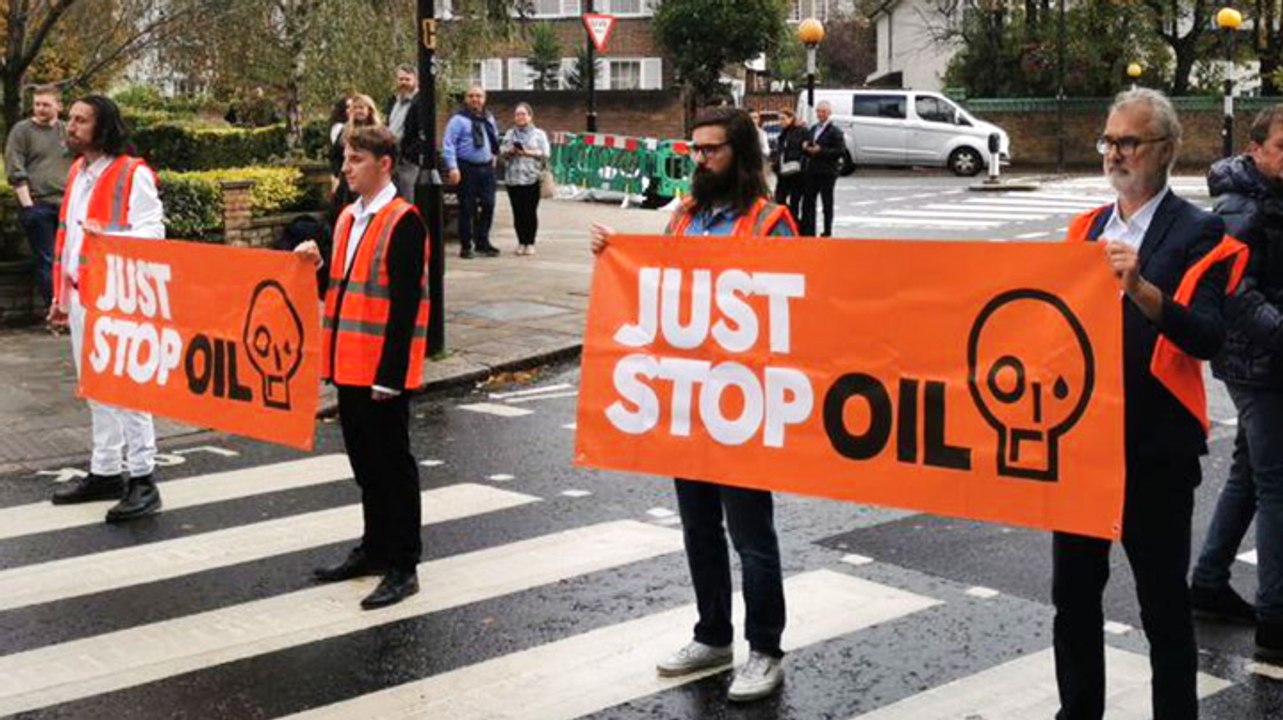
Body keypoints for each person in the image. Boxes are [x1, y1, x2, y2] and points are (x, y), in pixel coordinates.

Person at [591, 107, 797, 704]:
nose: (700, 160)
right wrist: (613, 251)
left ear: (741, 154)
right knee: (699, 526)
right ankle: (712, 635)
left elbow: (796, 307)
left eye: (712, 150)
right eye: (695, 150)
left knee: (751, 535)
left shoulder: (771, 222)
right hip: (688, 400)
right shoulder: (683, 218)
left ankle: (765, 649)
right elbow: (656, 285)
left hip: (743, 402)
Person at [1056, 88, 1242, 720]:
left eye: (1129, 142)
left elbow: (1206, 335)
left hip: (1154, 448)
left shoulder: (1199, 231)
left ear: (1165, 149)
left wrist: (1139, 287)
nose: (1115, 153)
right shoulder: (1086, 229)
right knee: (1073, 599)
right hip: (1082, 445)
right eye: (1109, 141)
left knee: (1163, 608)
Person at [296, 125, 430, 611]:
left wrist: (391, 377)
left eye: (356, 160)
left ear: (384, 164)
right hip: (348, 364)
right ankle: (374, 549)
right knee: (366, 467)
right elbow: (339, 286)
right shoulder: (349, 217)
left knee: (393, 466)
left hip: (381, 372)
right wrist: (316, 264)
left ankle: (404, 565)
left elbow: (405, 306)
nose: (346, 168)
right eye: (345, 159)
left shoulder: (404, 220)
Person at [45, 95, 166, 522]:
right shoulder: (79, 172)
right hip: (84, 295)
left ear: (103, 127)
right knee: (96, 387)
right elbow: (68, 239)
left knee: (128, 389)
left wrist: (111, 239)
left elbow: (154, 232)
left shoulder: (133, 173)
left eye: (81, 120)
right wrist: (62, 298)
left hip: (119, 298)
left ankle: (144, 479)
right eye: (71, 118)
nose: (70, 126)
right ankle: (106, 469)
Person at [1191, 104, 1283, 659]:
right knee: (1276, 484)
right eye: (1282, 146)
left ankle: (1208, 583)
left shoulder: (1273, 195)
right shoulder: (1239, 206)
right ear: (1255, 149)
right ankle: (1275, 620)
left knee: (1250, 474)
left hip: (1267, 358)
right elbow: (1235, 293)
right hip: (1256, 362)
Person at [5, 84, 71, 308]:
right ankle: (55, 310)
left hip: (67, 206)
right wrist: (28, 206)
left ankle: (73, 309)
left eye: (46, 105)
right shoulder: (22, 131)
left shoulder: (68, 131)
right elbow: (15, 169)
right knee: (47, 260)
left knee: (71, 259)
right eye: (37, 104)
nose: (40, 109)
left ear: (59, 106)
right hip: (38, 205)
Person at [443, 85, 501, 259]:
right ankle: (466, 245)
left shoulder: (488, 118)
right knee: (467, 208)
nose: (475, 99)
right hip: (466, 168)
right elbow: (449, 144)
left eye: (479, 96)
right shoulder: (458, 120)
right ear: (466, 99)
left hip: (486, 168)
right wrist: (453, 167)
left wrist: (494, 156)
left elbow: (493, 138)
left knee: (489, 205)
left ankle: (483, 242)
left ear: (484, 99)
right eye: (471, 96)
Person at [500, 102, 550, 256]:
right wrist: (510, 151)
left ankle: (530, 242)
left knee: (530, 211)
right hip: (513, 179)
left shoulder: (539, 134)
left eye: (523, 114)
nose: (520, 117)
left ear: (530, 116)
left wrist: (528, 152)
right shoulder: (510, 134)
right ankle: (521, 242)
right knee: (517, 212)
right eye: (517, 114)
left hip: (531, 177)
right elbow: (502, 151)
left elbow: (546, 153)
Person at [330, 94, 381, 219]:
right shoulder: (345, 131)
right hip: (348, 179)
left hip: (371, 178)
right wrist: (335, 176)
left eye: (361, 107)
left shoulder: (378, 132)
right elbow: (335, 155)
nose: (358, 111)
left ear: (369, 110)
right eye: (356, 108)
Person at [800, 100, 845, 237]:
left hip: (827, 172)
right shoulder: (813, 128)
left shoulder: (835, 131)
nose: (820, 114)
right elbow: (809, 148)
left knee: (827, 203)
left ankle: (827, 231)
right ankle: (809, 231)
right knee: (808, 201)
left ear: (829, 113)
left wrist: (821, 151)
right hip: (812, 171)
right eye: (818, 111)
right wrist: (806, 148)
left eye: (823, 111)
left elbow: (840, 151)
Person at [384, 64, 424, 202]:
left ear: (416, 81)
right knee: (391, 197)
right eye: (401, 79)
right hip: (391, 156)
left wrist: (408, 154)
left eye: (407, 79)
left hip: (407, 160)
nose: (403, 83)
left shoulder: (421, 102)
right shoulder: (393, 101)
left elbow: (422, 132)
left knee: (407, 198)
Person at [771, 108, 806, 222]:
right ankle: (787, 219)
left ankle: (794, 221)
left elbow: (802, 149)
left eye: (783, 119)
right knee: (779, 199)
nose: (781, 122)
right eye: (779, 119)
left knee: (795, 200)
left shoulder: (800, 131)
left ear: (791, 118)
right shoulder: (783, 133)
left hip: (796, 172)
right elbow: (780, 150)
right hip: (783, 172)